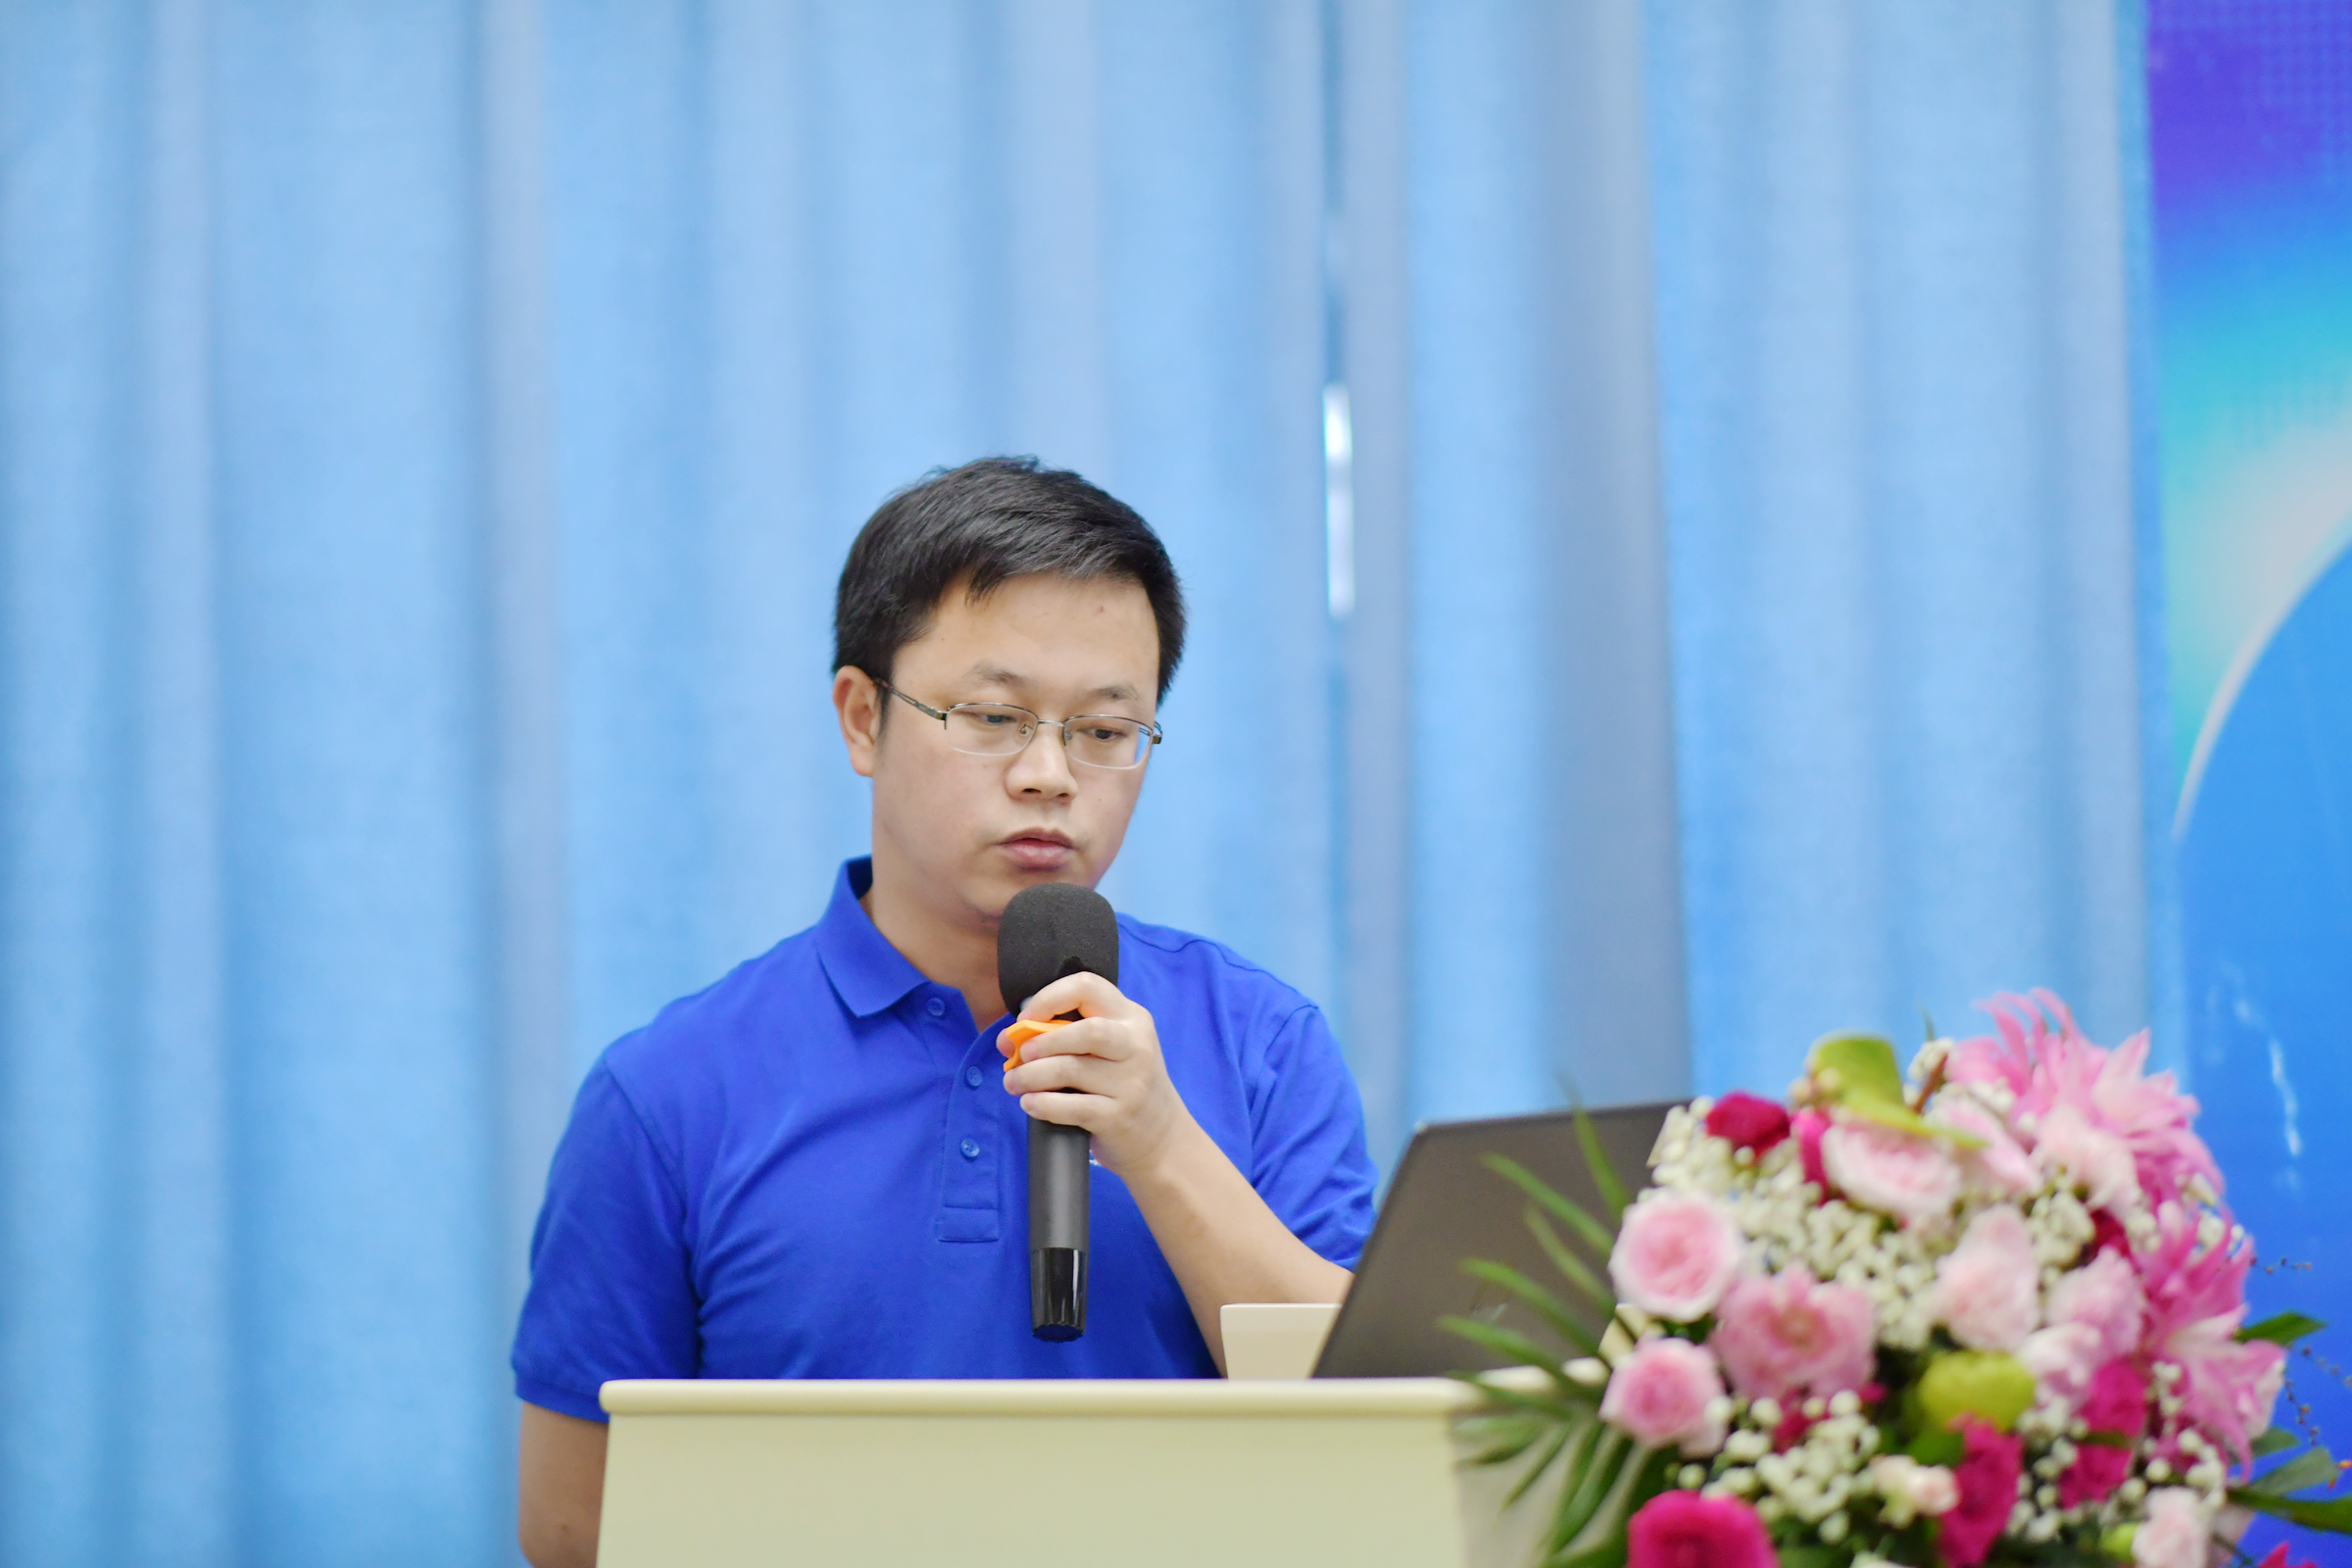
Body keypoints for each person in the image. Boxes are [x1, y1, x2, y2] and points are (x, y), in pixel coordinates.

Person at [511, 458, 1379, 1566]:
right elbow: (571, 1523)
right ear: (862, 718)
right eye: (994, 716)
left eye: (1106, 730)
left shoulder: (1262, 1042)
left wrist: (1163, 1147)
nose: (1049, 774)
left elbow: (1373, 1434)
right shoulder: (667, 1092)